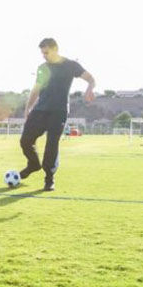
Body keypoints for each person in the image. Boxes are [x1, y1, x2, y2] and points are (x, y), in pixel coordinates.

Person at [16, 38, 96, 192]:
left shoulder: (71, 65)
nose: (44, 56)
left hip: (58, 112)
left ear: (55, 49)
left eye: (46, 52)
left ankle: (49, 178)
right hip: (40, 110)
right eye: (42, 53)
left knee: (51, 145)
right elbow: (36, 89)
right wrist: (28, 108)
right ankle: (33, 164)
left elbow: (90, 78)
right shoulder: (42, 68)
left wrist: (90, 88)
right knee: (25, 141)